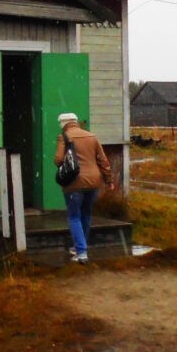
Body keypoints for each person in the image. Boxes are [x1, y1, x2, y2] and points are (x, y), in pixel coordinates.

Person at [54, 112, 114, 264]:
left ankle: (81, 253)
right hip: (94, 182)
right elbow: (103, 161)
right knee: (86, 214)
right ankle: (79, 247)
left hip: (74, 183)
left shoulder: (64, 137)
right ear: (76, 122)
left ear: (63, 124)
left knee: (74, 216)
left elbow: (58, 160)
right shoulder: (92, 136)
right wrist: (109, 180)